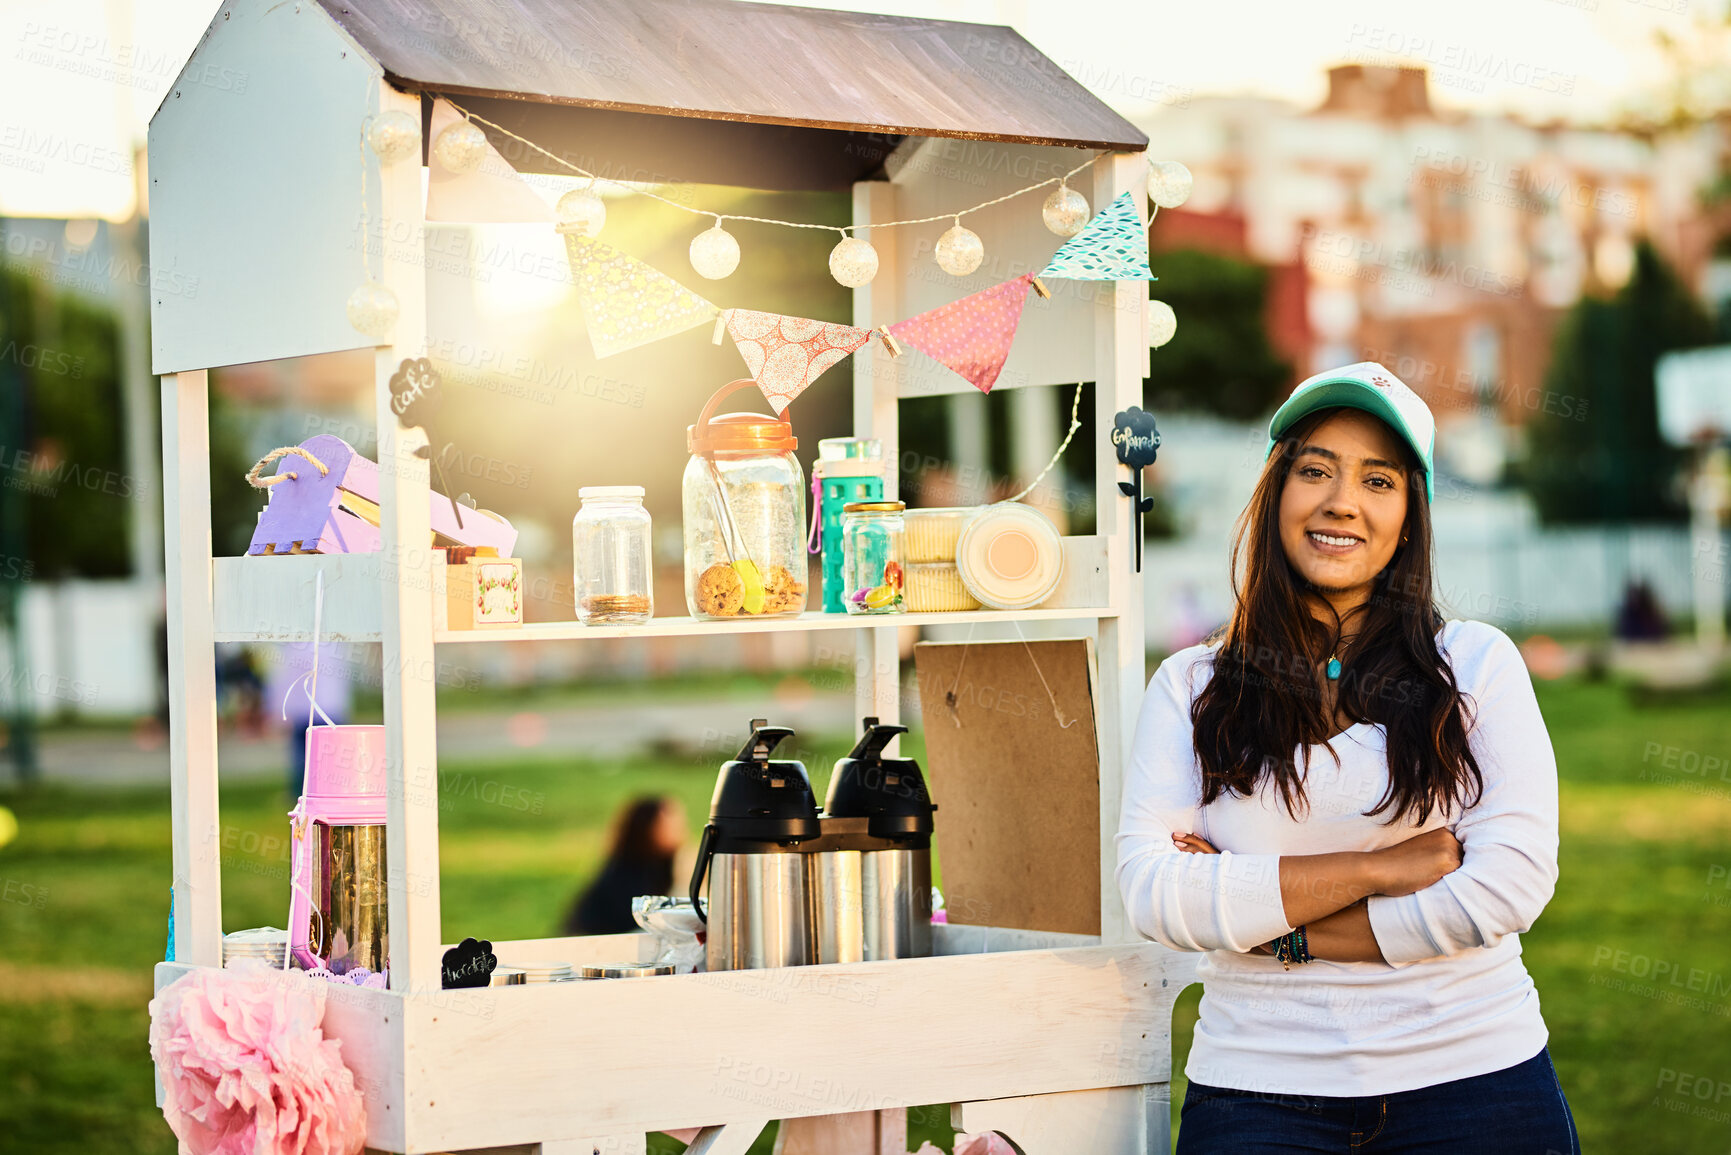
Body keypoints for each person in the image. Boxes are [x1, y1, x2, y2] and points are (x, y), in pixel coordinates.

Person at [1117, 363, 1577, 1153]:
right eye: (1315, 469)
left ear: (1409, 515)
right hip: (1259, 1095)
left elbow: (1506, 887)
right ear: (1275, 492)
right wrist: (1378, 867)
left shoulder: (1474, 665)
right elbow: (1155, 895)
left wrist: (1271, 928)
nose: (1341, 501)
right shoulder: (1192, 685)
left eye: (1378, 480)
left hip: (1475, 1081)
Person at [563, 796, 687, 936]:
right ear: (645, 828)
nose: (679, 831)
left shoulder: (666, 865)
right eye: (668, 825)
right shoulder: (625, 875)